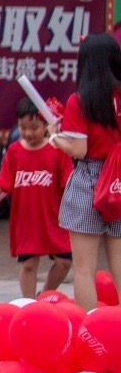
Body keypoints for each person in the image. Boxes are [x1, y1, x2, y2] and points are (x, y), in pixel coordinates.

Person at [50, 33, 121, 310]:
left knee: (84, 269)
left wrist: (54, 137)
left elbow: (79, 151)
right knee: (118, 264)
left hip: (90, 181)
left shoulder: (80, 100)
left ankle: (91, 330)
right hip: (118, 180)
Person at [0, 98, 72, 299]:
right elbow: (4, 179)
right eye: (23, 127)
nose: (28, 133)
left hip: (54, 217)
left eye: (34, 127)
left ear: (46, 125)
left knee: (64, 261)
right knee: (29, 264)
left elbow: (68, 179)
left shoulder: (58, 149)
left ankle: (44, 296)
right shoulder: (15, 150)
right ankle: (28, 303)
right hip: (26, 219)